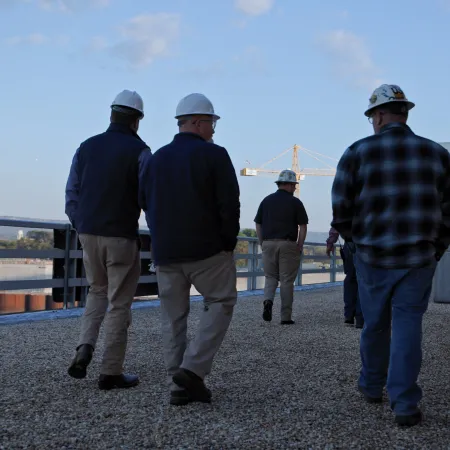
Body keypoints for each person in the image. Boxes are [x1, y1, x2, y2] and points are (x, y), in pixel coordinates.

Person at [331, 84, 450, 427]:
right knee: (409, 326)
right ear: (405, 113)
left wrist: (358, 244)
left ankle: (371, 385)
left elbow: (341, 209)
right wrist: (436, 247)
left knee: (375, 324)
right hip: (418, 258)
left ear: (379, 115)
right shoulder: (436, 154)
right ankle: (404, 404)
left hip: (373, 258)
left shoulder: (357, 152)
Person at [139, 93, 240, 406]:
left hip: (166, 251)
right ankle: (193, 369)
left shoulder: (156, 159)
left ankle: (179, 384)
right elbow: (229, 203)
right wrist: (227, 242)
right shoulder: (215, 155)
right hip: (207, 250)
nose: (214, 129)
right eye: (212, 122)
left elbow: (144, 201)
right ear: (198, 121)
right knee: (221, 300)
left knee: (173, 318)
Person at [65, 90, 151, 390]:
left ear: (111, 114)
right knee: (119, 303)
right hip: (121, 236)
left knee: (96, 292)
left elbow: (71, 193)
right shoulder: (141, 152)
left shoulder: (85, 148)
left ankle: (84, 347)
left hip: (88, 233)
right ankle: (110, 371)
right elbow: (148, 198)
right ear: (136, 121)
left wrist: (80, 224)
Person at [254, 169, 308, 325]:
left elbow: (258, 223)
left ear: (279, 184)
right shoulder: (295, 202)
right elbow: (302, 226)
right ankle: (285, 317)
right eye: (294, 185)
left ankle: (268, 302)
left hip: (268, 243)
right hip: (287, 244)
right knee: (286, 280)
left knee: (270, 277)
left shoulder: (266, 200)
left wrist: (262, 241)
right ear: (290, 185)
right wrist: (299, 244)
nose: (295, 188)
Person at [326, 227, 363, 328]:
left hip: (350, 245)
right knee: (364, 280)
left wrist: (330, 242)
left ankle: (349, 316)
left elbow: (337, 225)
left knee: (351, 279)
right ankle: (361, 317)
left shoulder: (346, 210)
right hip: (367, 245)